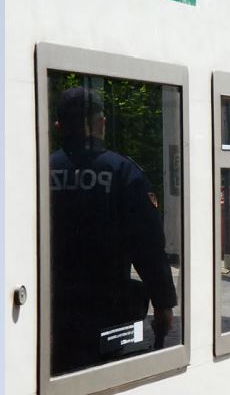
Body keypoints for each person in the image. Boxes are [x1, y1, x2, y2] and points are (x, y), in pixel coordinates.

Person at [49, 87, 177, 375]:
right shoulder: (122, 172)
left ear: (59, 126)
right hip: (108, 313)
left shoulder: (40, 170)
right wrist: (163, 303)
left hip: (51, 311)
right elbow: (148, 245)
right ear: (101, 123)